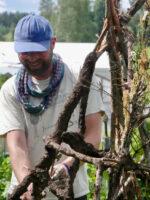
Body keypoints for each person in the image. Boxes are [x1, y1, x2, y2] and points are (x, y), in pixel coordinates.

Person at [0, 14, 105, 200]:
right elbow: (17, 145)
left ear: (53, 43)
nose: (32, 58)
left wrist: (67, 166)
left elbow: (94, 135)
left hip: (71, 190)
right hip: (25, 189)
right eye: (25, 52)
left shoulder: (80, 78)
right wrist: (29, 185)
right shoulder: (11, 89)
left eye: (38, 51)